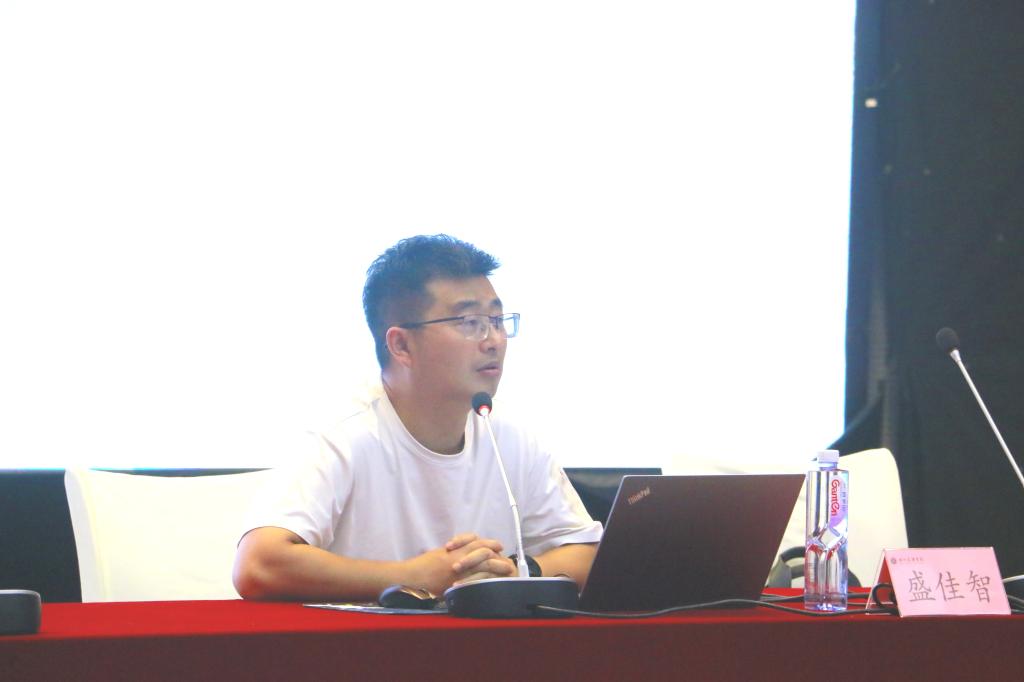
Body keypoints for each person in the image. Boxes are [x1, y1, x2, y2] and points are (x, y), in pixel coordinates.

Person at [233, 234, 601, 601]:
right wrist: (413, 576)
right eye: (470, 322)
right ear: (401, 345)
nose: (493, 340)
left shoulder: (510, 434)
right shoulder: (342, 435)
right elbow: (258, 564)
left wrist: (516, 571)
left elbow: (587, 553)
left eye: (497, 319)